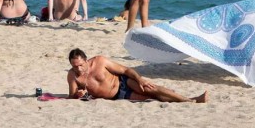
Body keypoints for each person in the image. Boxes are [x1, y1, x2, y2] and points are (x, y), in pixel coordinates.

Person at [67, 48, 208, 103]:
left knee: (150, 89)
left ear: (86, 60)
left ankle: (191, 101)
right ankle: (183, 98)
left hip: (123, 83)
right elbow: (72, 95)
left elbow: (125, 70)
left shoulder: (100, 61)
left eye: (81, 65)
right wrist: (79, 94)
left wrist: (139, 78)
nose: (78, 68)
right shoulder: (72, 75)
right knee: (152, 98)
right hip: (118, 96)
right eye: (75, 66)